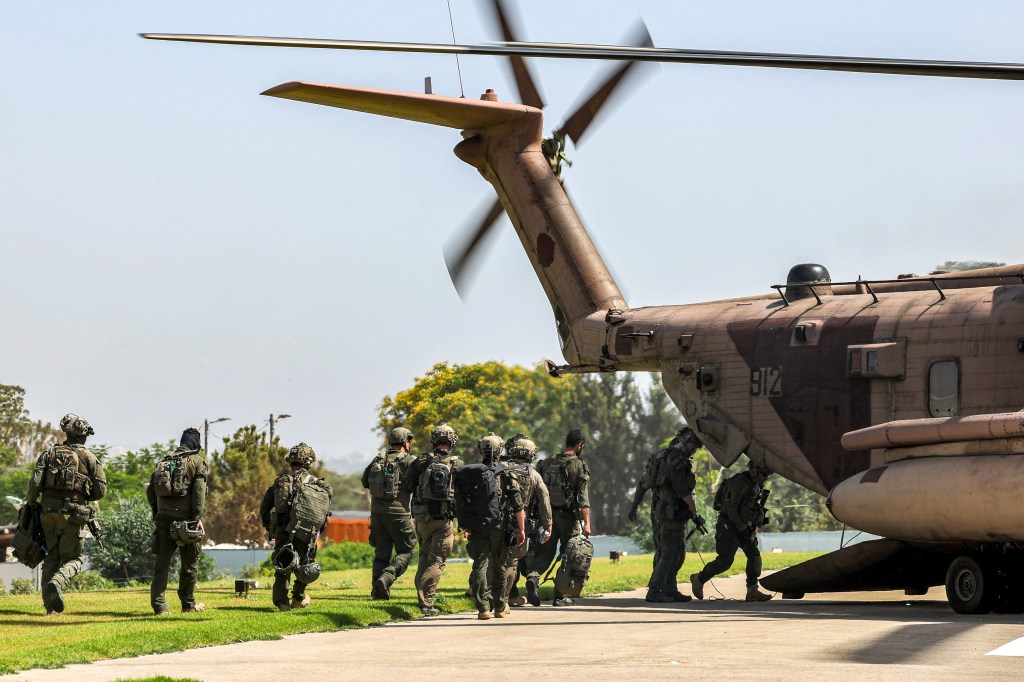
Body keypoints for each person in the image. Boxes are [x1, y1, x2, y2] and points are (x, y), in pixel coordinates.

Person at [25, 413, 107, 615]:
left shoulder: (48, 454)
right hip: (73, 514)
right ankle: (57, 582)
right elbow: (101, 491)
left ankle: (49, 609)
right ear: (84, 436)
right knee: (74, 559)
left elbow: (35, 485)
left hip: (47, 514)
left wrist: (32, 503)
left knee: (51, 557)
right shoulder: (89, 457)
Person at [628, 427, 702, 603]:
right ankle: (654, 591)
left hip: (663, 511)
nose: (695, 449)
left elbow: (643, 484)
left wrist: (634, 506)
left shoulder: (660, 457)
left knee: (677, 552)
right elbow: (683, 491)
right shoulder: (676, 459)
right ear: (686, 441)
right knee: (669, 553)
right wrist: (694, 514)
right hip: (671, 512)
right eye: (694, 445)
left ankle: (670, 589)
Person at [260, 443, 334, 612]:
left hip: (282, 531)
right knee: (305, 563)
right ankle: (298, 598)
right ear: (308, 462)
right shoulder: (317, 484)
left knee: (282, 565)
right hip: (306, 532)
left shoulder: (280, 482)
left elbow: (264, 508)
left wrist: (268, 526)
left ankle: (282, 602)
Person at [146, 427, 210, 614]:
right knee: (189, 564)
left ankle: (159, 606)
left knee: (162, 564)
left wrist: (157, 513)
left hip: (164, 519)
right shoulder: (197, 462)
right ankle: (188, 604)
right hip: (187, 522)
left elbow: (151, 492)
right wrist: (198, 518)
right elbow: (199, 492)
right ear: (196, 443)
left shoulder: (164, 461)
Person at [403, 422, 464, 616]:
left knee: (424, 555)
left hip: (422, 517)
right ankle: (426, 602)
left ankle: (420, 596)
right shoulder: (458, 463)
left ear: (434, 439)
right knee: (437, 560)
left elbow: (409, 483)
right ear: (452, 440)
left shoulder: (421, 460)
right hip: (444, 518)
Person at [691, 461, 774, 602]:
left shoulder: (755, 486)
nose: (766, 478)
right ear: (755, 471)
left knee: (754, 557)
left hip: (744, 526)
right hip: (729, 525)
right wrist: (741, 526)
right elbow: (730, 508)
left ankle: (752, 590)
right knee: (725, 561)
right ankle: (699, 579)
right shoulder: (739, 482)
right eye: (764, 474)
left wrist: (752, 529)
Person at [463, 433, 526, 620]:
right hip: (500, 526)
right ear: (500, 450)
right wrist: (521, 529)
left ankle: (482, 608)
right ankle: (499, 606)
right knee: (500, 566)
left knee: (480, 565)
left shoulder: (472, 473)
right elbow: (518, 505)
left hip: (477, 526)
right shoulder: (506, 473)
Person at [526, 428, 590, 607]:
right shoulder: (578, 465)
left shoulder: (545, 463)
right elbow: (583, 499)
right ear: (579, 446)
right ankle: (560, 595)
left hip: (546, 518)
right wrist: (587, 524)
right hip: (568, 518)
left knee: (545, 552)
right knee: (568, 555)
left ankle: (533, 577)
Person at [362, 426, 417, 600]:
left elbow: (365, 481)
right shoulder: (410, 461)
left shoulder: (378, 459)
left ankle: (377, 593)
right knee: (406, 551)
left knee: (381, 553)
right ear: (406, 442)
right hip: (399, 515)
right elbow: (417, 486)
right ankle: (387, 577)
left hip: (377, 515)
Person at [502, 434, 552, 608]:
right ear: (531, 454)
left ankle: (493, 594)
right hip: (519, 525)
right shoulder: (534, 475)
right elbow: (544, 499)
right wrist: (547, 523)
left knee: (496, 559)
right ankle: (507, 597)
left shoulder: (501, 468)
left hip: (497, 523)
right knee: (513, 562)